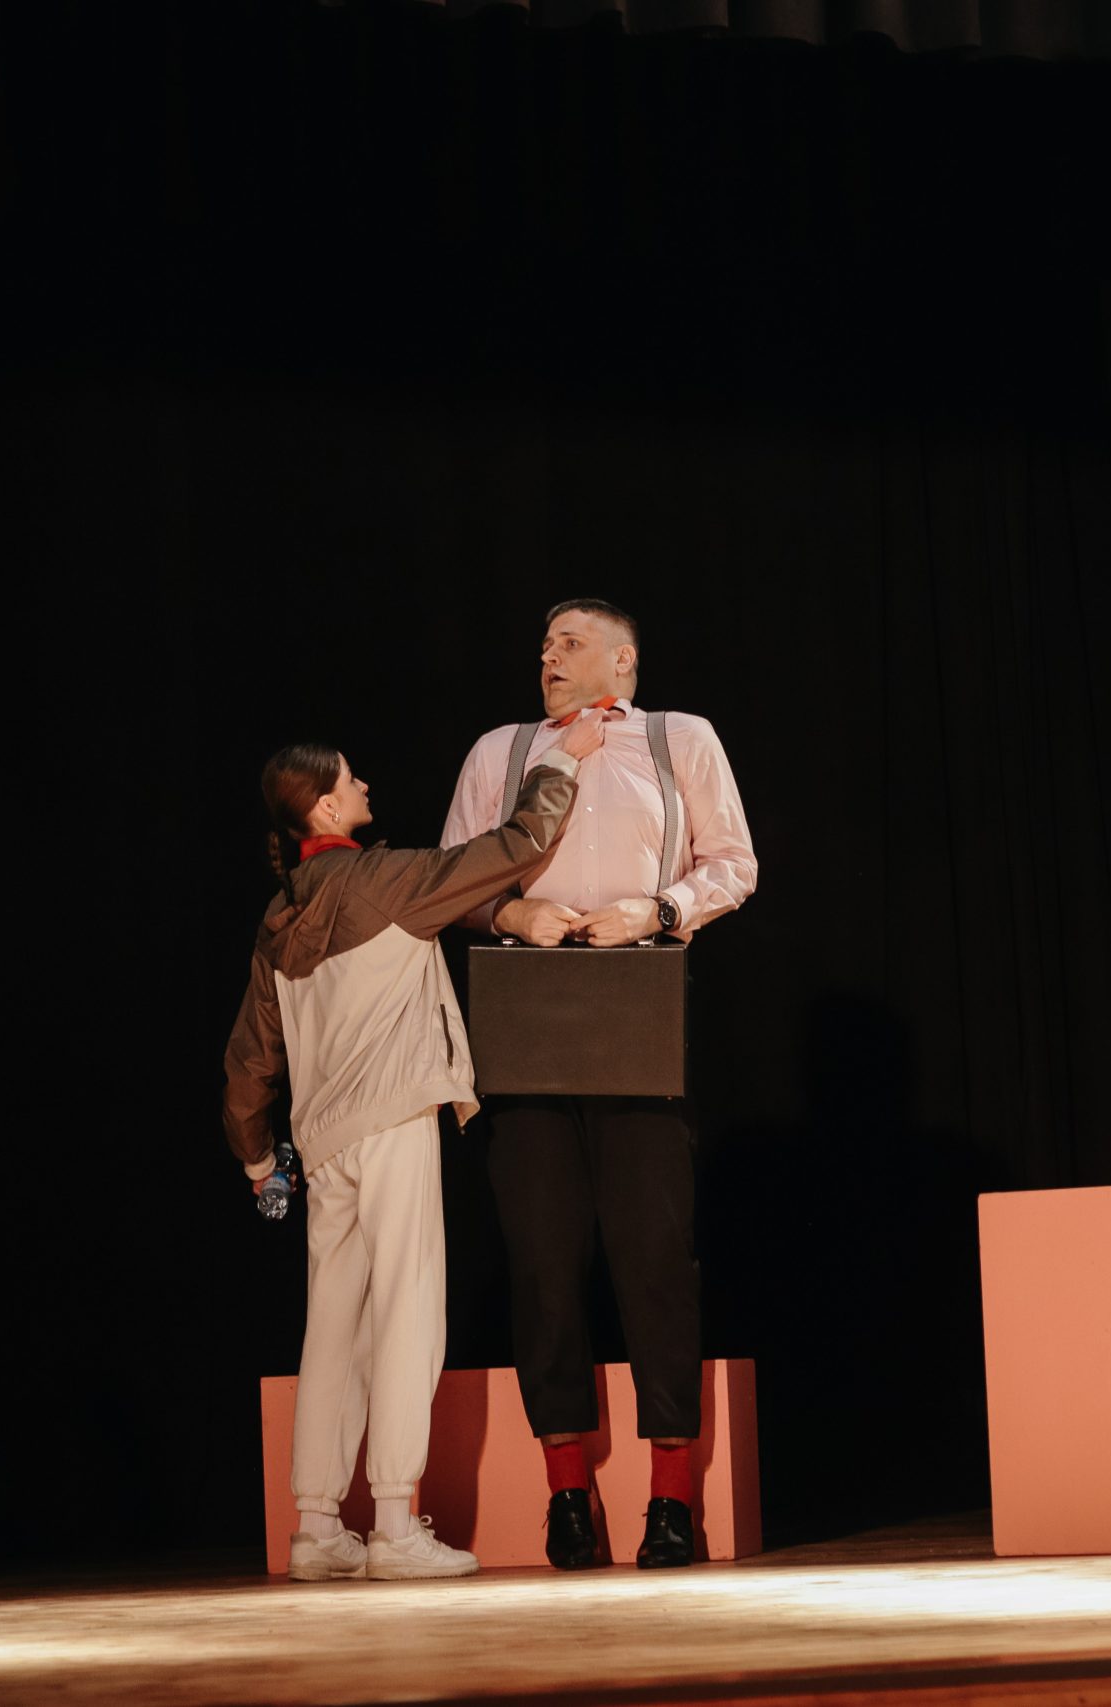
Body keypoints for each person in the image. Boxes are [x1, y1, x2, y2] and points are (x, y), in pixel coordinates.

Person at [224, 709, 608, 1582]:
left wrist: (259, 1161)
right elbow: (514, 848)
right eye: (349, 777)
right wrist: (560, 762)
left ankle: (317, 1527)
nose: (365, 784)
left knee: (331, 1329)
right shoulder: (385, 879)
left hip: (324, 1145)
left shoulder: (279, 917)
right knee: (408, 1313)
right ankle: (394, 1524)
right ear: (325, 809)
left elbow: (248, 1062)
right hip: (392, 1121)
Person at [438, 597, 758, 1570]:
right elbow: (453, 881)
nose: (548, 656)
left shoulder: (677, 738)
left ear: (623, 661)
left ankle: (671, 1500)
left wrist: (658, 909)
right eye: (543, 645)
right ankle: (567, 1495)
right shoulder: (499, 750)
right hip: (528, 1011)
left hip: (634, 1002)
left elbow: (733, 863)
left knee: (653, 1258)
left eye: (569, 643)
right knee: (541, 1261)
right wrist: (509, 915)